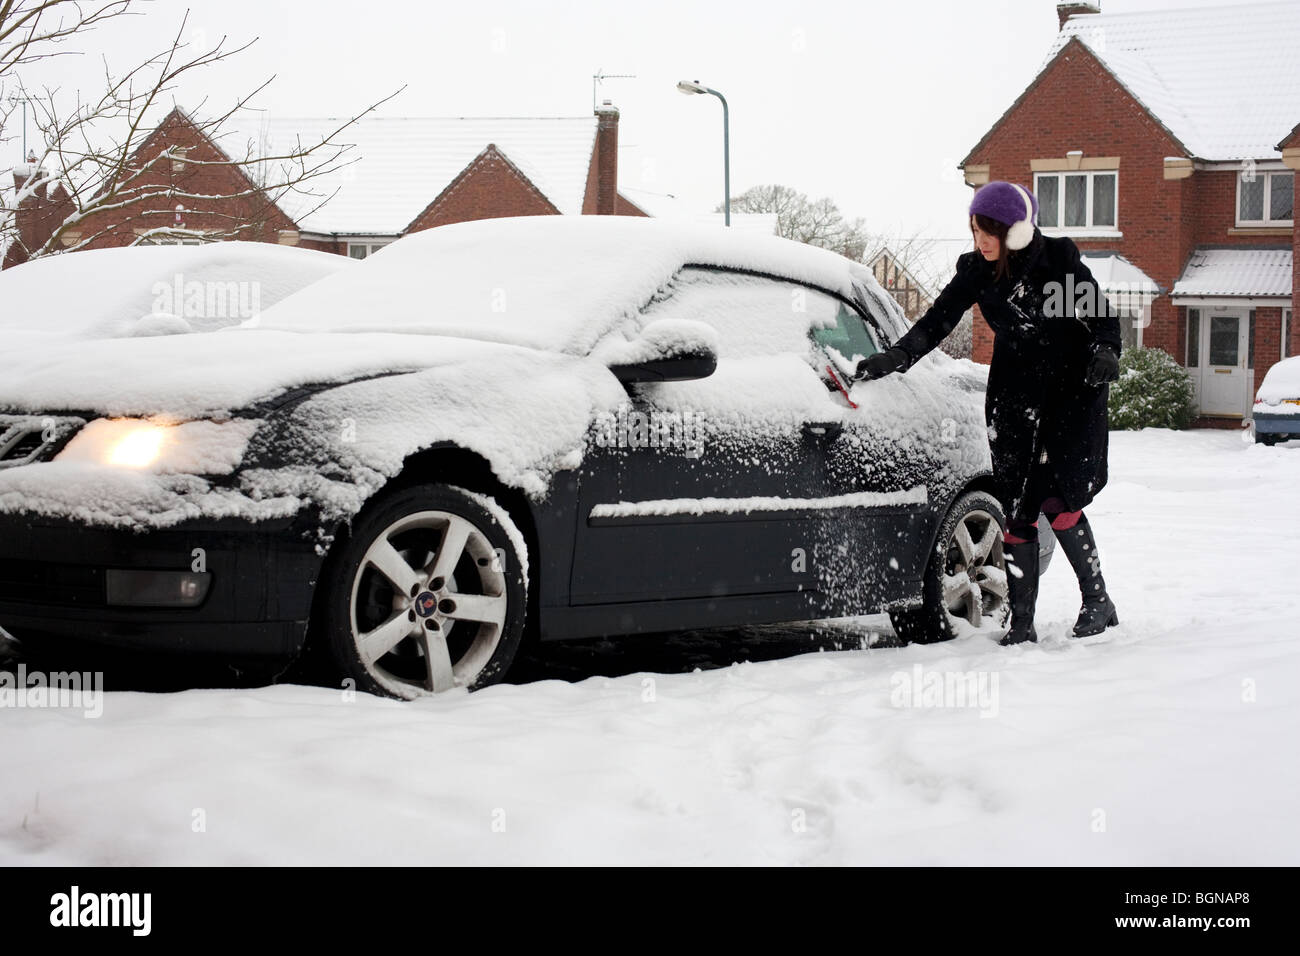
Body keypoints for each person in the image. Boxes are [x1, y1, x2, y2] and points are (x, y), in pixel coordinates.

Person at [855, 180, 1122, 646]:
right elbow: (937, 320)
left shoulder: (1057, 262)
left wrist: (1105, 351)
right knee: (1018, 505)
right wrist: (896, 357)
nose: (980, 240)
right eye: (976, 229)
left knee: (1060, 502)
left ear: (1015, 230)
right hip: (1016, 397)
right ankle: (1022, 623)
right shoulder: (977, 270)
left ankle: (1098, 600)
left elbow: (1100, 315)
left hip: (1070, 394)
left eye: (989, 231)